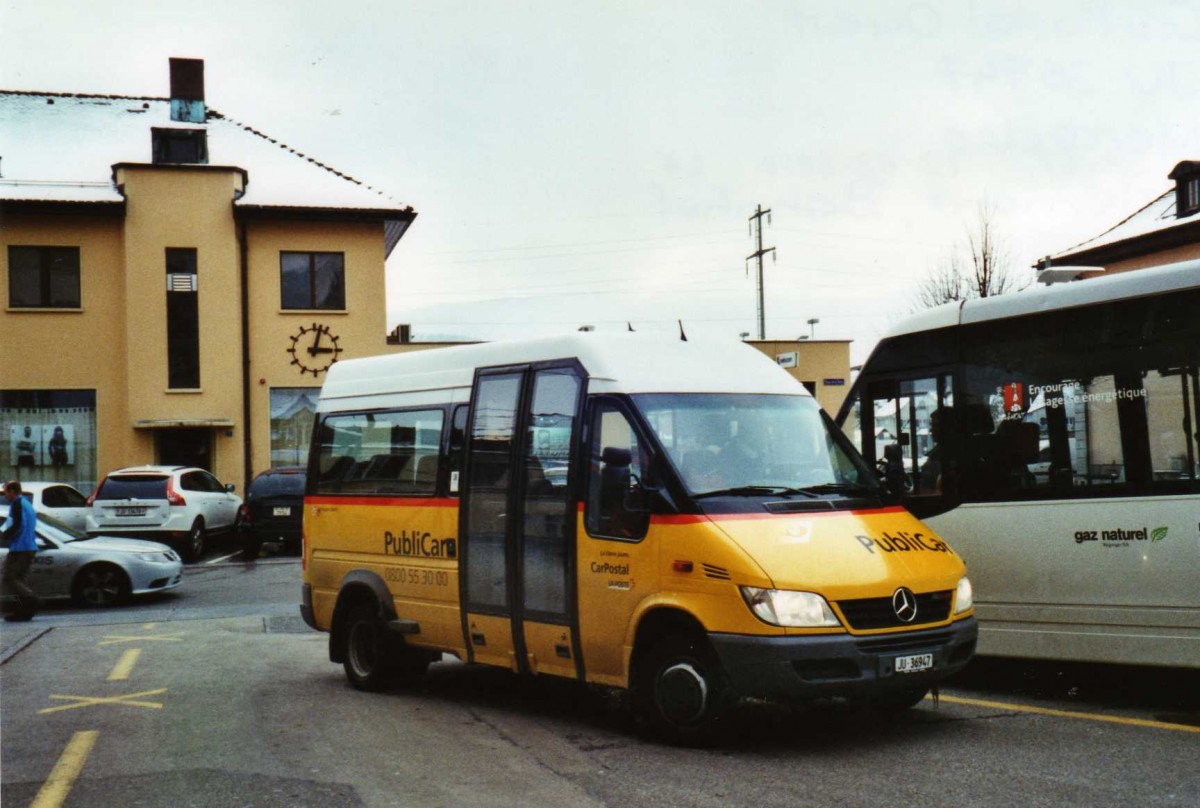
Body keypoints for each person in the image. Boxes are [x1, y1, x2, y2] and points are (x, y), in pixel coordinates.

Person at [2, 480, 40, 621]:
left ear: (12, 491)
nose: (5, 495)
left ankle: (31, 600)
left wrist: (5, 535)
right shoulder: (27, 504)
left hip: (20, 547)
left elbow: (17, 524)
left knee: (10, 578)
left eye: (6, 492)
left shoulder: (17, 504)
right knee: (20, 580)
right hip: (29, 545)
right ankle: (23, 611)